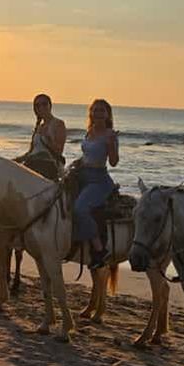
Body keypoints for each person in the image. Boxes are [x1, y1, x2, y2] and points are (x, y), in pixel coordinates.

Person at [72, 99, 119, 269]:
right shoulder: (89, 131)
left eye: (102, 110)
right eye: (95, 110)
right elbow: (87, 156)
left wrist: (112, 145)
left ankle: (99, 250)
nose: (98, 113)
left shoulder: (110, 134)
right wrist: (77, 163)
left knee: (80, 208)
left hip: (99, 180)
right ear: (91, 113)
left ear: (107, 114)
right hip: (82, 175)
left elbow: (114, 162)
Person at [16, 93, 67, 180]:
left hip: (48, 164)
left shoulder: (58, 124)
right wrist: (15, 161)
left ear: (50, 105)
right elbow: (30, 152)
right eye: (37, 105)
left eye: (44, 104)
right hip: (32, 162)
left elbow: (59, 151)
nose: (41, 107)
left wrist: (47, 137)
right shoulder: (39, 127)